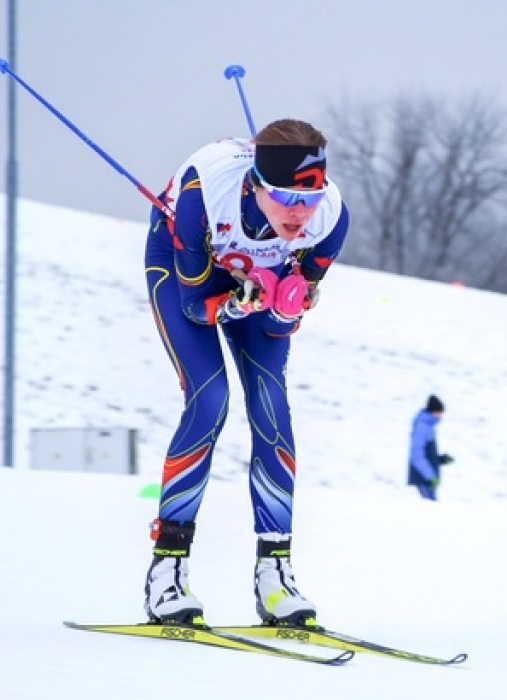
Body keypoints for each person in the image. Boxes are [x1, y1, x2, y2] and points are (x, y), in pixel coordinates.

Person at [143, 119, 350, 628]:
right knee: (210, 399)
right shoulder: (203, 194)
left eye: (312, 197)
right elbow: (194, 306)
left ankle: (275, 578)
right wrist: (238, 302)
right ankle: (166, 573)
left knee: (271, 406)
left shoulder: (330, 219)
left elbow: (287, 318)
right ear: (256, 187)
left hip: (257, 278)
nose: (301, 214)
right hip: (183, 270)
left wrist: (284, 308)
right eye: (286, 198)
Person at [407, 395, 454, 501]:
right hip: (423, 478)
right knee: (431, 512)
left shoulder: (428, 428)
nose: (441, 416)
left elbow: (427, 455)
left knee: (432, 511)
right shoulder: (422, 427)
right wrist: (430, 476)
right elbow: (417, 456)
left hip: (427, 480)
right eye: (439, 413)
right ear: (433, 411)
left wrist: (440, 460)